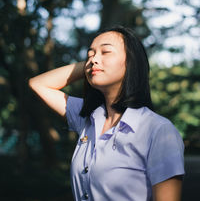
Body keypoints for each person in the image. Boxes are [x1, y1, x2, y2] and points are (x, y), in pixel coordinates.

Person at [29, 26, 185, 201]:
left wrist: (96, 63)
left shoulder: (158, 130)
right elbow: (38, 84)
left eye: (106, 52)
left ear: (131, 62)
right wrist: (91, 65)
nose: (94, 58)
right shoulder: (86, 118)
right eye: (90, 54)